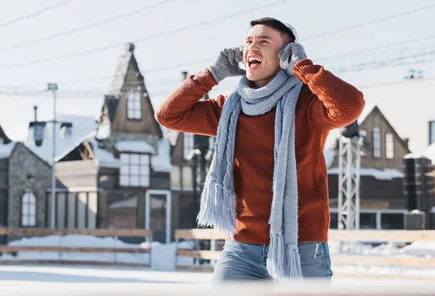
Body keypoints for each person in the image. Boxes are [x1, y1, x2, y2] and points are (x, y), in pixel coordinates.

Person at [155, 17, 365, 281]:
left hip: (301, 247)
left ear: (285, 55)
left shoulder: (307, 106)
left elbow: (350, 105)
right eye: (248, 41)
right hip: (242, 247)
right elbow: (168, 116)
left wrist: (303, 67)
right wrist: (213, 74)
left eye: (264, 42)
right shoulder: (229, 110)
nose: (252, 47)